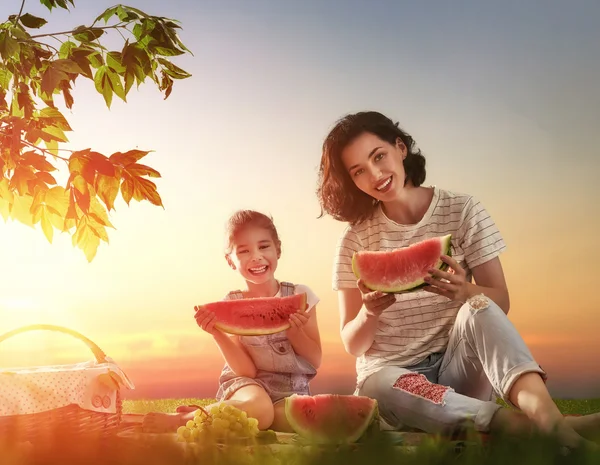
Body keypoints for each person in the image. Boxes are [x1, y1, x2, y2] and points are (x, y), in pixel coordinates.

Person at [315, 110, 599, 450]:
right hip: (395, 381)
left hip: (460, 371)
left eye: (379, 156)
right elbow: (353, 344)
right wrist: (369, 313)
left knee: (479, 305)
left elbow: (500, 301)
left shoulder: (463, 209)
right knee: (377, 385)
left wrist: (464, 291)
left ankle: (548, 420)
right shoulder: (354, 241)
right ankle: (544, 429)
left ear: (400, 148)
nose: (375, 175)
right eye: (358, 170)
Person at [143, 210, 322, 433]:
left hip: (291, 391)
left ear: (278, 250)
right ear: (230, 261)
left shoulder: (300, 295)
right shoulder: (230, 302)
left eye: (264, 246)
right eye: (244, 251)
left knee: (284, 422)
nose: (256, 256)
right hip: (248, 385)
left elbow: (315, 359)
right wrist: (217, 333)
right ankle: (185, 419)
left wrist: (295, 332)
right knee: (260, 409)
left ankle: (217, 409)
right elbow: (245, 371)